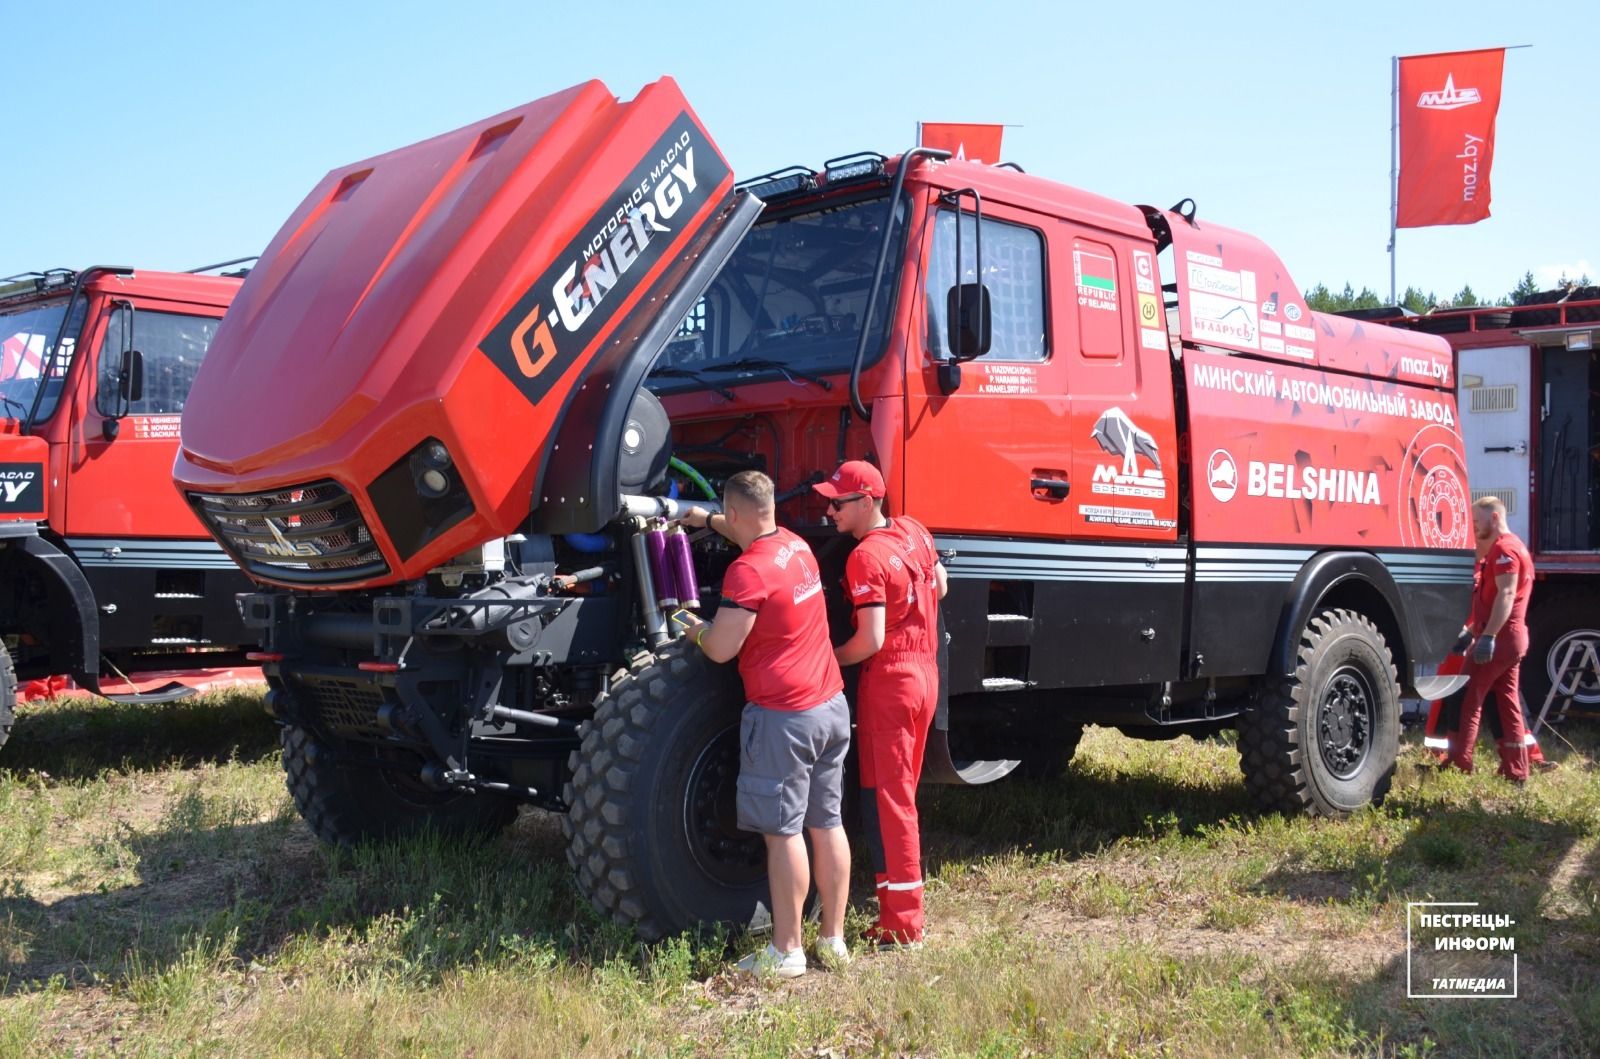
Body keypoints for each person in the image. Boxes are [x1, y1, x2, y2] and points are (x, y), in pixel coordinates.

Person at [678, 470, 852, 978]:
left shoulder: (747, 572)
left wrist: (693, 630)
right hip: (830, 706)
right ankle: (834, 939)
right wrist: (701, 518)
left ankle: (787, 951)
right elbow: (745, 528)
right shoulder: (795, 545)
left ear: (734, 514)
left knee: (783, 834)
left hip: (785, 717)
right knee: (827, 823)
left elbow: (721, 648)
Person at [815, 459, 948, 948]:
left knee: (891, 801)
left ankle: (904, 922)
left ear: (867, 501)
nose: (829, 510)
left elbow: (869, 640)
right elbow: (943, 585)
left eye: (838, 502)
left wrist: (825, 659)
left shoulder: (864, 558)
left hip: (890, 679)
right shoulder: (914, 530)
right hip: (925, 673)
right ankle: (896, 901)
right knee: (899, 795)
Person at [1445, 497, 1535, 783]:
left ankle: (1460, 763)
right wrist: (1471, 632)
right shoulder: (1513, 547)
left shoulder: (1504, 550)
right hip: (1510, 638)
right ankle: (1517, 770)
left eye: (1476, 521)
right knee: (1508, 703)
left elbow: (1507, 596)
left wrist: (1488, 637)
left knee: (1468, 698)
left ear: (1494, 518)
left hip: (1501, 637)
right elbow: (1492, 600)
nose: (1473, 527)